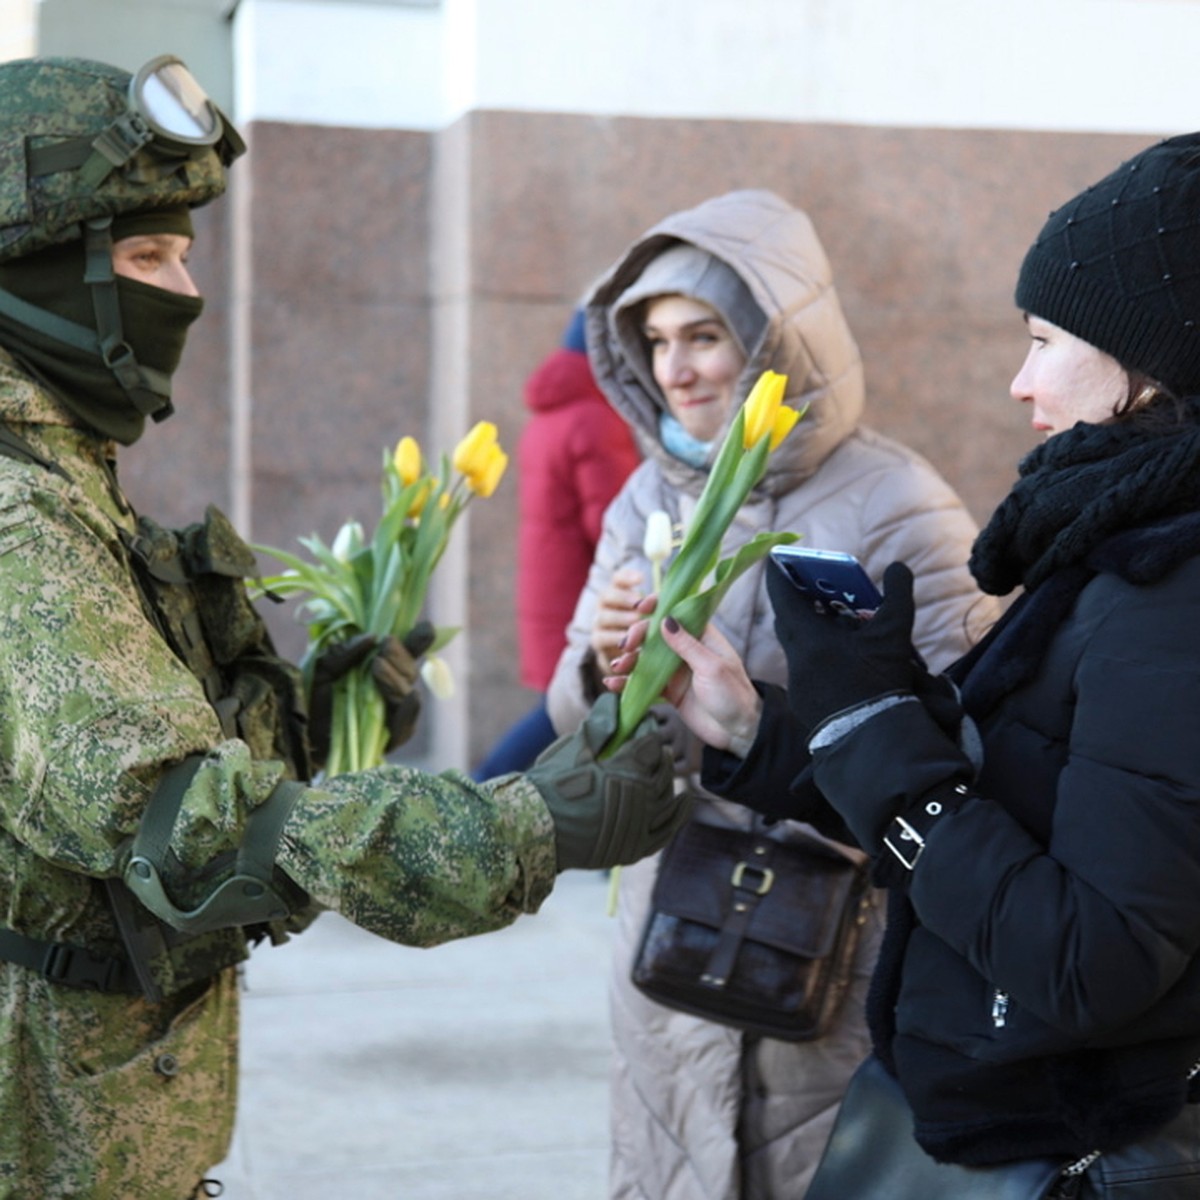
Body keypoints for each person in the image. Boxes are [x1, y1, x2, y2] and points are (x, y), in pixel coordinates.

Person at [0, 55, 690, 1200]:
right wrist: (522, 829)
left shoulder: (66, 475)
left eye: (183, 253)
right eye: (144, 256)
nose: (182, 289)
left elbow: (117, 761)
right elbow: (187, 834)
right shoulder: (21, 520)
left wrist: (313, 714)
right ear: (33, 270)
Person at [645, 134, 1200, 1195]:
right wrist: (764, 729)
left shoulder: (1173, 595)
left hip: (1067, 1151)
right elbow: (998, 794)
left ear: (1149, 366)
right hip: (987, 1115)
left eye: (1047, 341)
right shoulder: (1115, 542)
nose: (1019, 380)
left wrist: (869, 719)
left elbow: (1090, 956)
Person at [546, 188, 1001, 1198]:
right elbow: (574, 716)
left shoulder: (897, 501)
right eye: (656, 340)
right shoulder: (648, 493)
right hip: (673, 930)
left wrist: (776, 723)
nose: (675, 367)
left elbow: (963, 734)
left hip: (827, 937)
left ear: (777, 339)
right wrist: (605, 669)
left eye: (704, 335)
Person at [471, 307, 639, 780]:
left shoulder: (550, 413)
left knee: (560, 709)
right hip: (580, 592)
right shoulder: (595, 418)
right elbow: (613, 523)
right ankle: (478, 789)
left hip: (550, 584)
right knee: (559, 711)